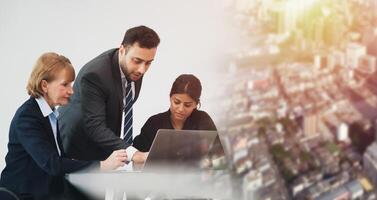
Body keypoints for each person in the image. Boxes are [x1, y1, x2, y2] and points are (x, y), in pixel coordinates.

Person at [0, 53, 127, 200]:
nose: (71, 91)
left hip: (47, 192)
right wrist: (102, 165)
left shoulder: (50, 114)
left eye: (71, 84)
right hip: (22, 195)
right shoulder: (27, 117)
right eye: (65, 84)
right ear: (44, 85)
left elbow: (60, 160)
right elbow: (52, 163)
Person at [58, 25, 160, 164]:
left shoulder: (134, 70)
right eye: (137, 61)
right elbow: (94, 126)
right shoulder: (95, 75)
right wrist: (133, 153)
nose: (142, 69)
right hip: (75, 145)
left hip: (101, 145)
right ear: (122, 50)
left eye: (148, 63)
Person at [133, 74, 217, 153]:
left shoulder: (203, 120)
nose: (180, 109)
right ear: (170, 97)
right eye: (176, 102)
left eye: (187, 105)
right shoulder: (154, 123)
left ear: (196, 104)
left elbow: (218, 154)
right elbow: (137, 160)